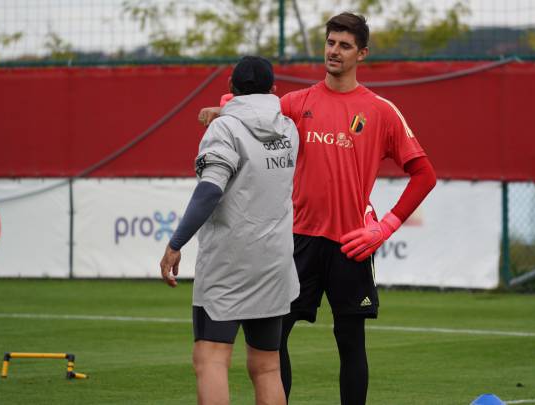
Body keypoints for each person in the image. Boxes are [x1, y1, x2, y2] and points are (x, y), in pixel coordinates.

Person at [199, 12, 437, 405]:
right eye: (330, 43)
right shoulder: (298, 102)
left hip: (351, 244)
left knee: (350, 341)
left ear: (362, 54)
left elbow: (425, 174)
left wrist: (385, 227)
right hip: (297, 241)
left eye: (345, 46)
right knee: (275, 341)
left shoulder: (380, 111)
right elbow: (256, 112)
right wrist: (222, 109)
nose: (334, 51)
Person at [160, 55, 300, 405]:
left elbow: (210, 190)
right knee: (267, 367)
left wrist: (176, 243)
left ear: (229, 88)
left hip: (229, 263)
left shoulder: (223, 129)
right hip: (275, 262)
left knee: (211, 360)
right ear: (273, 89)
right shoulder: (288, 128)